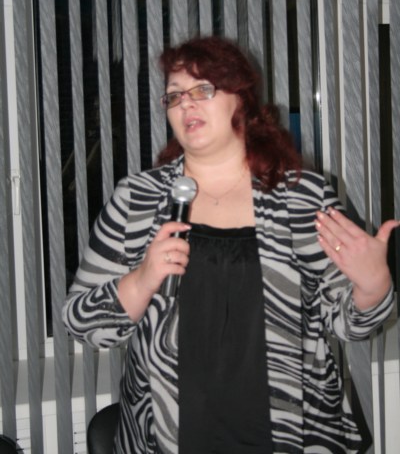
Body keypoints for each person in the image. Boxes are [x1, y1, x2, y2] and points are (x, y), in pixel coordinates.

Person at [63, 35, 398, 454]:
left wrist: (373, 285)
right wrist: (141, 280)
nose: (185, 104)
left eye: (203, 89)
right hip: (169, 436)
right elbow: (83, 323)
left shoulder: (301, 197)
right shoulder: (138, 200)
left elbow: (348, 323)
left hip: (290, 433)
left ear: (242, 99)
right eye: (174, 96)